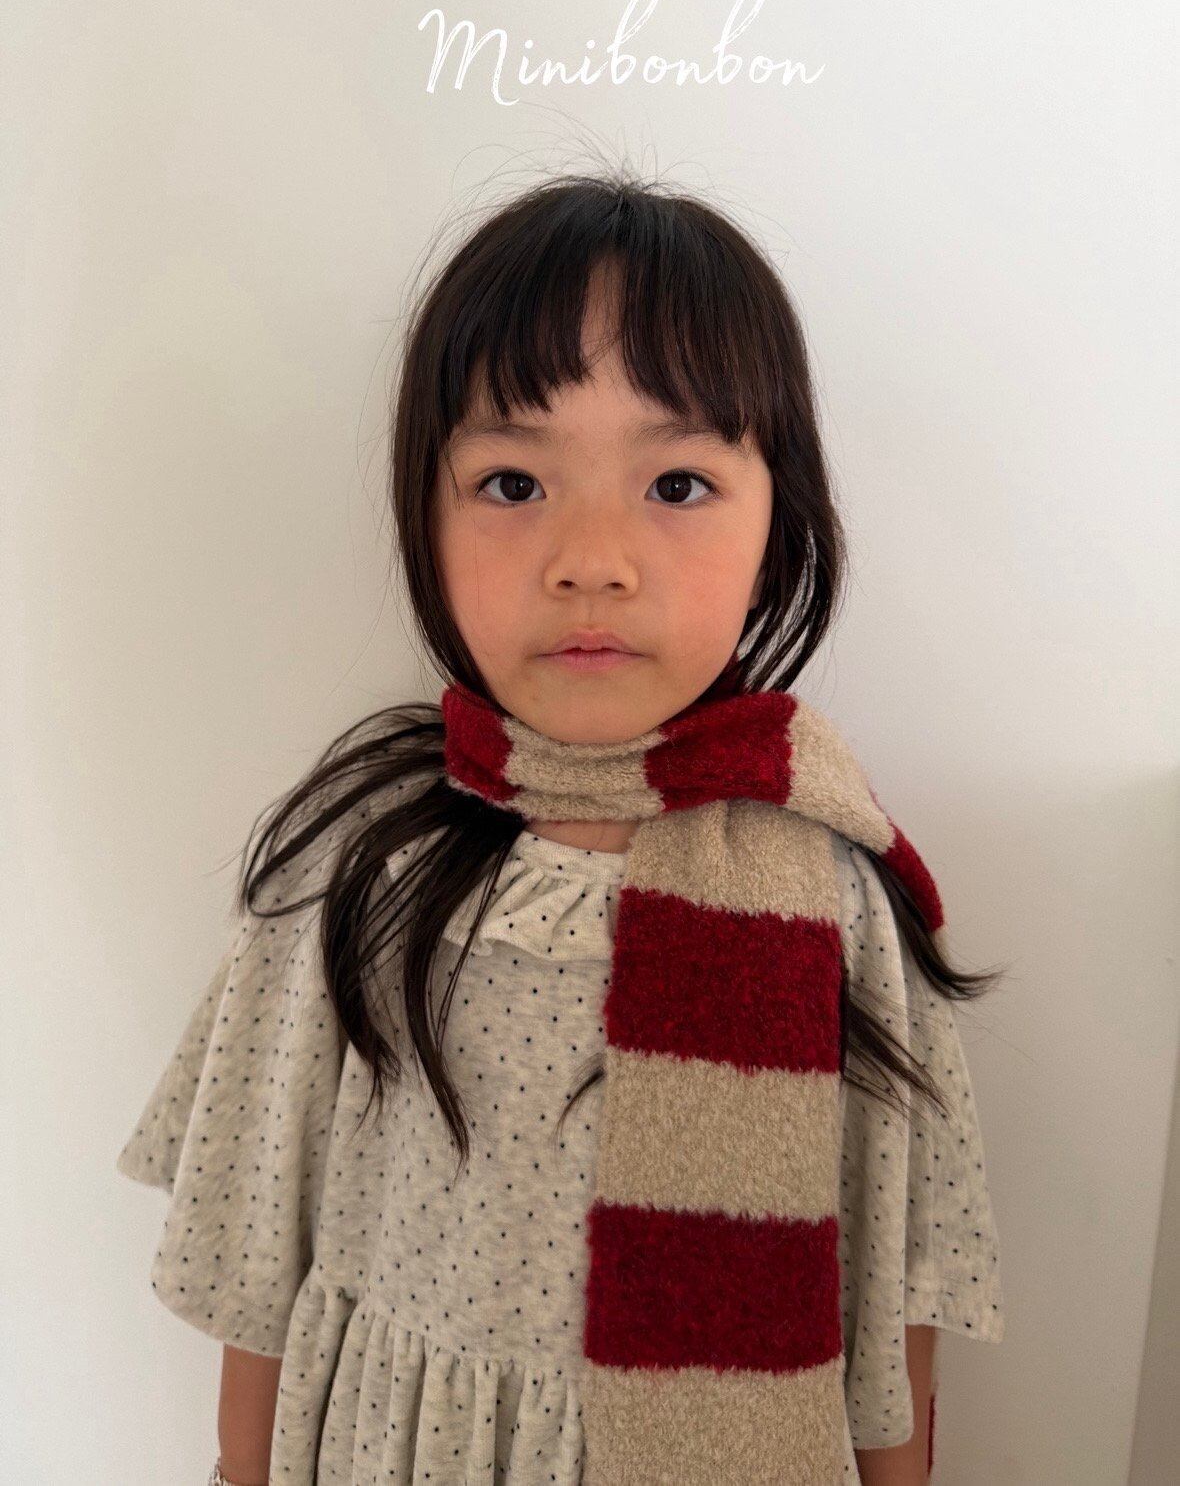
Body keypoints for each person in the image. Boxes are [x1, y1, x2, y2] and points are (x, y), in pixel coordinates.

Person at [116, 170, 1006, 1485]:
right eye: (513, 480)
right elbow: (258, 1262)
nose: (592, 557)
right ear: (424, 513)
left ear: (780, 523)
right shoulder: (360, 867)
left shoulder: (832, 892)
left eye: (679, 483)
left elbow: (892, 1316)